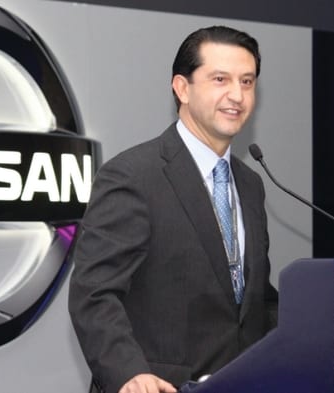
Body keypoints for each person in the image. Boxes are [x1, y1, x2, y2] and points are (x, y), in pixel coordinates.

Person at [68, 26, 279, 393]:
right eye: (220, 79)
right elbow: (94, 294)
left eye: (247, 82)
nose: (237, 95)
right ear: (182, 88)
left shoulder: (250, 184)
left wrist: (317, 332)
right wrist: (128, 374)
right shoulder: (133, 175)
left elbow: (252, 302)